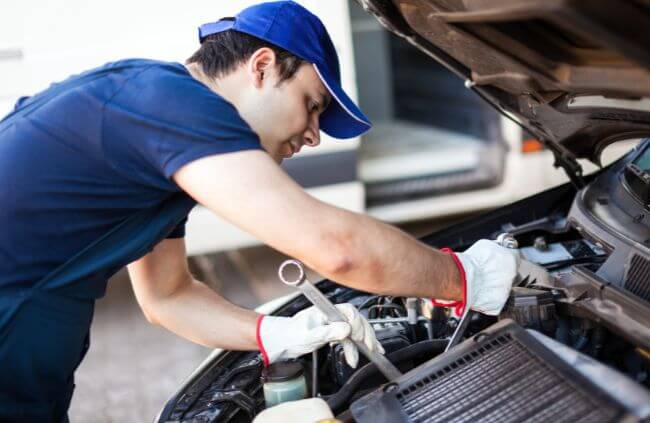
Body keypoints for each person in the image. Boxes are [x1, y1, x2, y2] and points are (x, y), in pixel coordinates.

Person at [0, 1, 519, 421]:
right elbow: (336, 250)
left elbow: (168, 295)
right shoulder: (172, 104)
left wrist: (273, 333)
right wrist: (464, 276)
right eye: (313, 105)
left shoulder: (162, 141)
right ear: (263, 66)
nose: (314, 135)